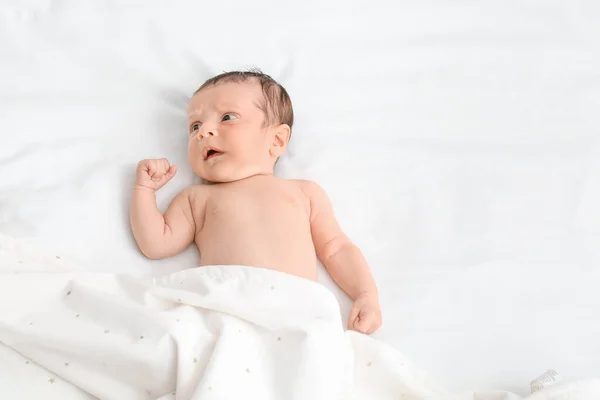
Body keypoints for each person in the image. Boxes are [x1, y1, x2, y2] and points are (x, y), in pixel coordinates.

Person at [130, 69, 382, 334]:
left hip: (296, 314)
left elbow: (337, 248)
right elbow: (156, 243)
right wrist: (143, 191)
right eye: (194, 126)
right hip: (225, 312)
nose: (203, 132)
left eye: (227, 117)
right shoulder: (196, 198)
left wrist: (366, 294)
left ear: (276, 140)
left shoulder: (304, 193)